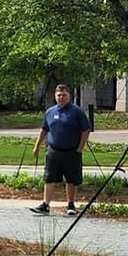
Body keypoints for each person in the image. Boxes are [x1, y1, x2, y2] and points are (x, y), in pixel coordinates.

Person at [30, 84, 93, 216]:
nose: (61, 98)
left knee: (71, 179)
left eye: (64, 95)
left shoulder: (77, 112)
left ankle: (70, 204)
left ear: (69, 96)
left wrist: (80, 149)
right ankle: (45, 204)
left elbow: (86, 130)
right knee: (49, 178)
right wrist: (37, 146)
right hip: (53, 151)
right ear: (55, 96)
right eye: (59, 95)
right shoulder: (50, 112)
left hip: (72, 151)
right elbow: (44, 130)